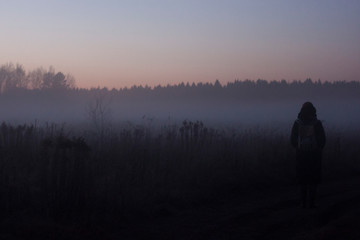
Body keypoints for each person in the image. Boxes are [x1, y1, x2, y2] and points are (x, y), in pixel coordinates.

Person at [290, 102, 326, 208]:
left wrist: (298, 147)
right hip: (314, 155)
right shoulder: (317, 123)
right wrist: (318, 148)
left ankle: (303, 203)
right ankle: (312, 203)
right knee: (313, 180)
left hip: (301, 155)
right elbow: (323, 140)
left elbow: (293, 140)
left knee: (303, 180)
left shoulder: (297, 123)